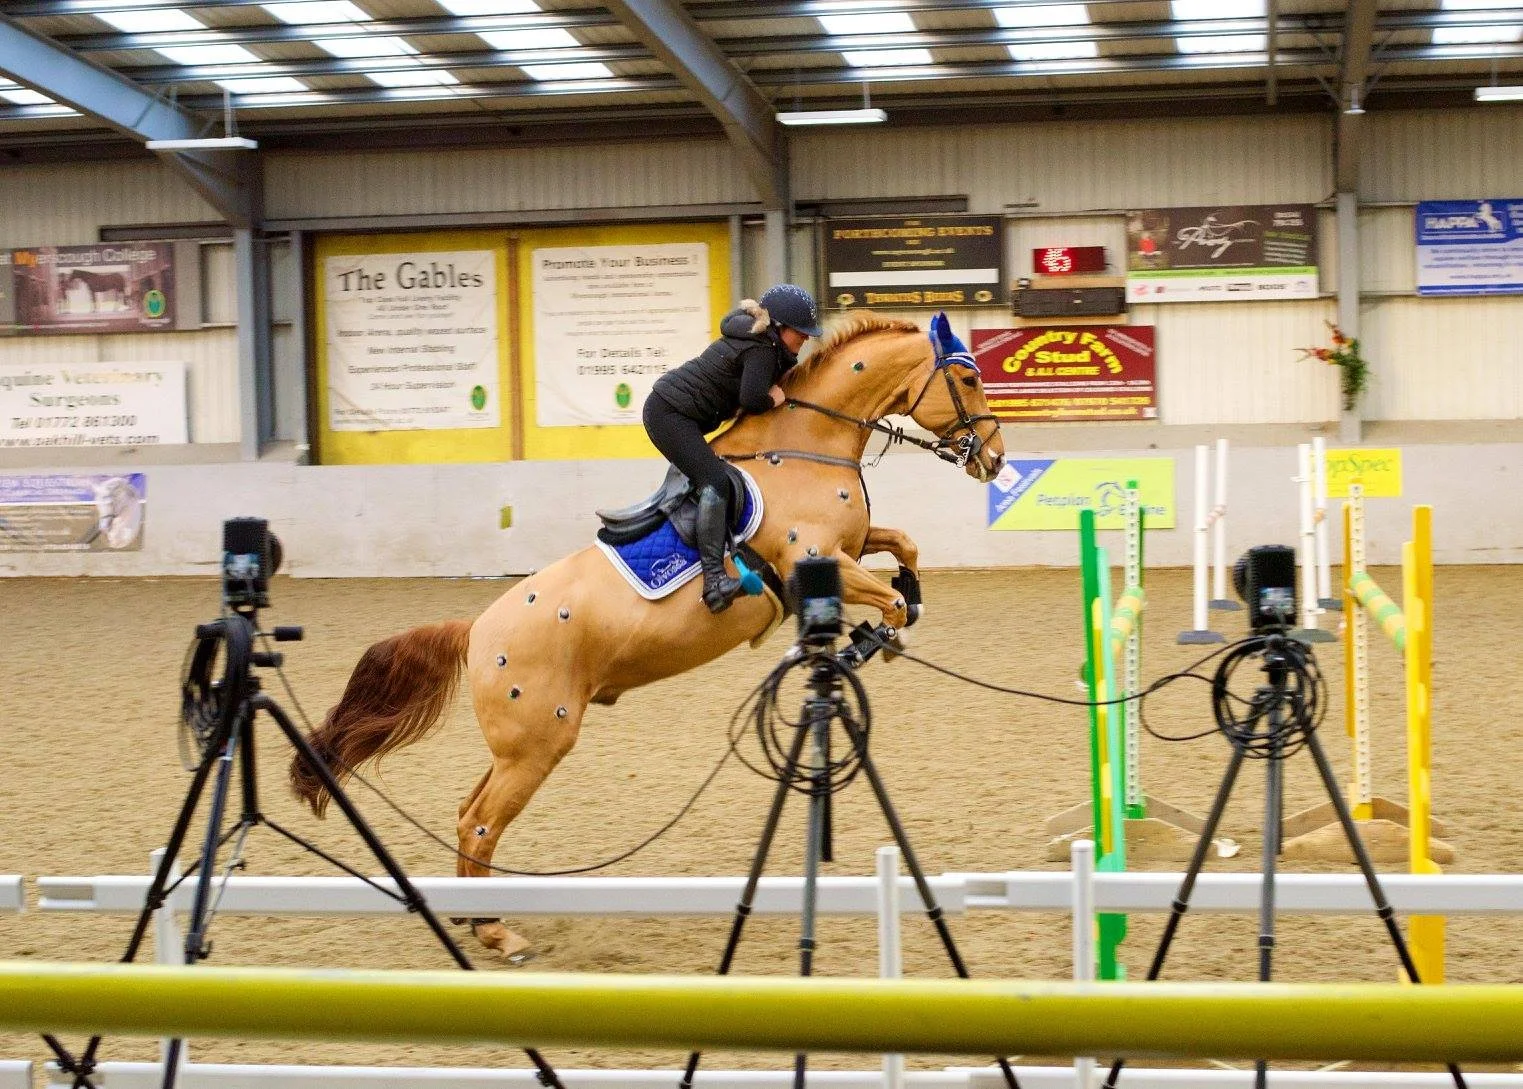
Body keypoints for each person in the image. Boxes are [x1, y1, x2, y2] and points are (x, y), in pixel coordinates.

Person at [643, 283, 824, 613]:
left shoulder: (765, 344)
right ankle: (714, 581)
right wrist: (773, 398)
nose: (806, 338)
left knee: (717, 478)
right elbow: (752, 398)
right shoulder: (762, 349)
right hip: (669, 414)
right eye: (800, 331)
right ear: (780, 328)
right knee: (715, 481)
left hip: (679, 414)